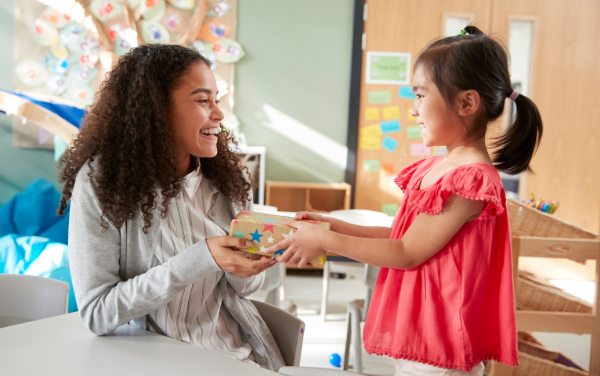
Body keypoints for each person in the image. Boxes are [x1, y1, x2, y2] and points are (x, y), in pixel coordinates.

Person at [266, 26, 543, 375]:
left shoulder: (469, 179)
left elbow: (407, 254)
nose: (413, 110)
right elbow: (403, 238)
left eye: (420, 95)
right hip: (420, 335)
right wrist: (333, 225)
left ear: (467, 102)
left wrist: (325, 240)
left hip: (439, 343)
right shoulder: (441, 167)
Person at [58, 44, 284, 371]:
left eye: (216, 100)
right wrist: (202, 257)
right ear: (156, 109)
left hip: (231, 358)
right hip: (146, 363)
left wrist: (246, 266)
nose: (218, 114)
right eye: (203, 100)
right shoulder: (101, 182)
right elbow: (98, 313)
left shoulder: (230, 182)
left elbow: (244, 291)